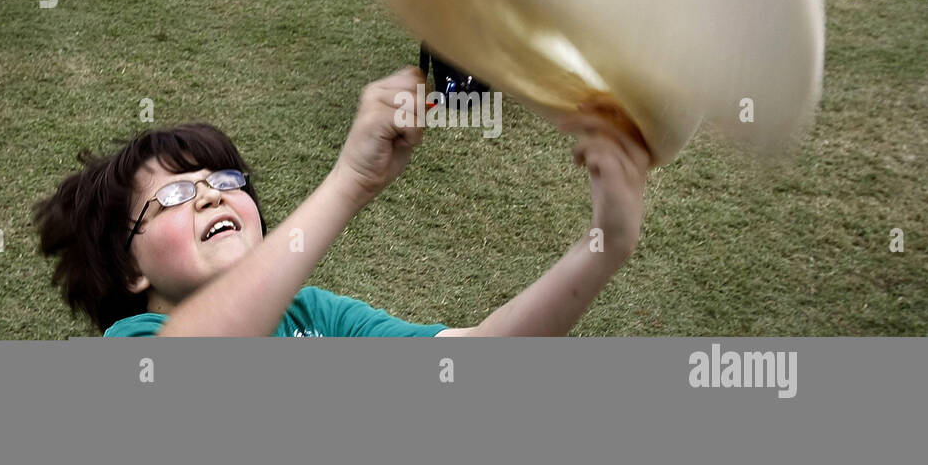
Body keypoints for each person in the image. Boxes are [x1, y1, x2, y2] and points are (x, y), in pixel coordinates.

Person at [35, 68, 650, 338]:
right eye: (170, 195)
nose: (207, 195)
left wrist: (603, 248)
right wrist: (351, 179)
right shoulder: (138, 342)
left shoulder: (313, 318)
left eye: (225, 182)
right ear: (127, 267)